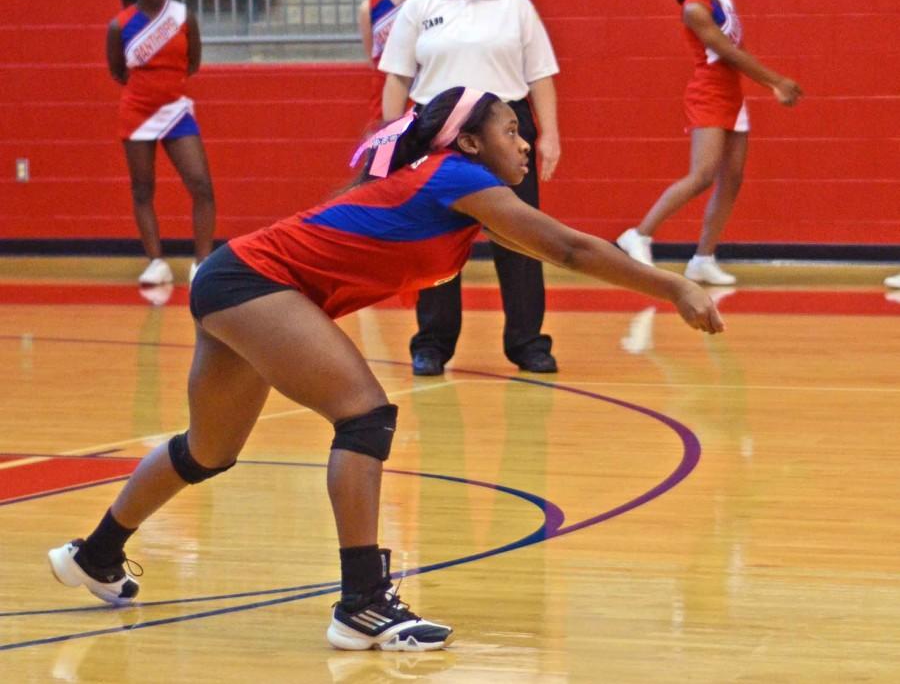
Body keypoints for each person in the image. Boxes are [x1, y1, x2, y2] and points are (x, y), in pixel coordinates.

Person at [48, 87, 724, 652]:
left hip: (238, 277)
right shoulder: (458, 179)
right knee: (364, 414)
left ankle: (96, 553)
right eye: (512, 129)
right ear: (467, 144)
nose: (524, 143)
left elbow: (554, 248)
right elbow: (571, 248)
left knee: (209, 449)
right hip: (249, 281)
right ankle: (362, 602)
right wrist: (676, 287)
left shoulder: (467, 197)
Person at [378, 0, 562, 376]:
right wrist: (391, 141)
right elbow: (398, 77)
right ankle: (433, 345)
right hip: (438, 129)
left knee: (519, 235)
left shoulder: (514, 2)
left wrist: (550, 136)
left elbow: (540, 75)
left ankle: (528, 343)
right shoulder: (421, 5)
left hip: (504, 127)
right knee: (435, 238)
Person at [617, 0, 803, 285]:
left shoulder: (725, 1)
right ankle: (639, 234)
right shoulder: (694, 9)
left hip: (733, 94)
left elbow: (739, 49)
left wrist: (768, 84)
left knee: (731, 179)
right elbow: (727, 53)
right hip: (709, 94)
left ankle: (703, 258)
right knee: (702, 174)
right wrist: (775, 80)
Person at [107, 0, 216, 287]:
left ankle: (203, 262)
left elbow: (193, 62)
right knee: (142, 189)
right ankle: (156, 262)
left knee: (201, 184)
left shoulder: (183, 16)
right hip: (137, 112)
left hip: (176, 110)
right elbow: (118, 71)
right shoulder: (120, 25)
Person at [357, 0, 418, 126]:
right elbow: (371, 55)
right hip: (383, 87)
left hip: (418, 83)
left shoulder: (425, 1)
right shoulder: (369, 7)